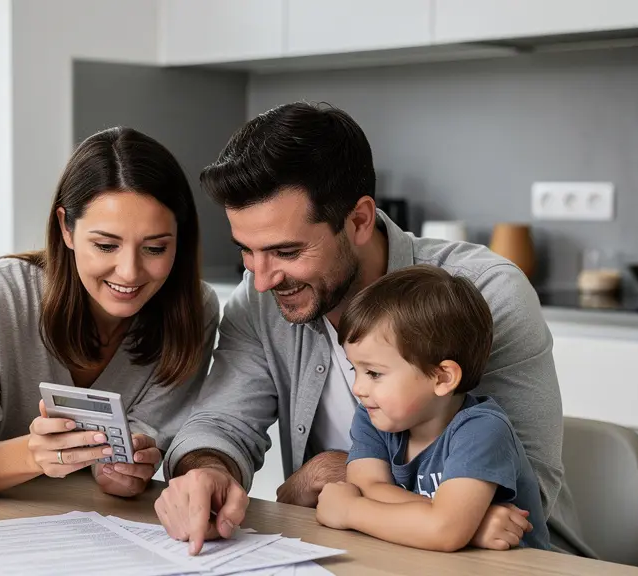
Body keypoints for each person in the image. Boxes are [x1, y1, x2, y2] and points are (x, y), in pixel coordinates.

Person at [154, 102, 592, 557]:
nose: (262, 279)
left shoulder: (484, 293)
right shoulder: (261, 298)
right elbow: (220, 424)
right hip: (351, 555)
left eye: (286, 251)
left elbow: (515, 501)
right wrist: (205, 471)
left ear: (359, 220)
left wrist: (339, 474)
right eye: (246, 249)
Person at [0, 126, 220, 498]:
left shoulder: (194, 309)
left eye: (155, 249)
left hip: (98, 527)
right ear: (66, 228)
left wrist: (124, 472)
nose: (129, 272)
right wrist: (30, 456)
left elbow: (143, 445)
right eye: (106, 245)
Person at [313, 264, 548, 551]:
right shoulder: (373, 415)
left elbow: (444, 532)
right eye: (355, 370)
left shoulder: (482, 430)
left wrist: (350, 511)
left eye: (374, 373)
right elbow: (368, 489)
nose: (358, 389)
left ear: (442, 378)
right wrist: (471, 525)